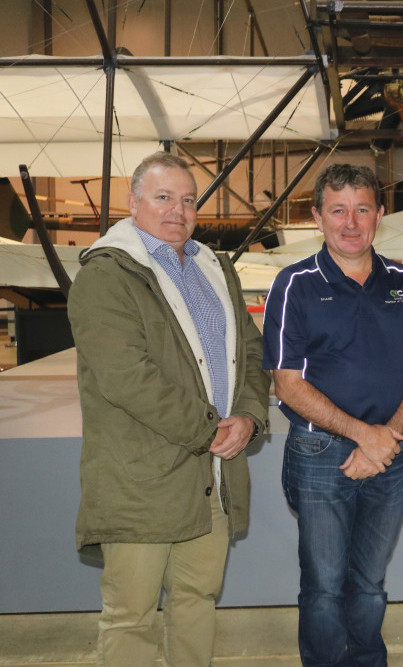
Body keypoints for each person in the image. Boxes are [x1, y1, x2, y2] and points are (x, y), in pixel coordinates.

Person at [68, 151, 271, 667]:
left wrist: (248, 418)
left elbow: (249, 351)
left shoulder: (213, 268)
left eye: (188, 200)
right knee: (131, 618)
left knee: (196, 602)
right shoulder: (106, 275)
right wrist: (210, 431)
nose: (178, 210)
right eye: (163, 198)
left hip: (213, 474)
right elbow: (126, 377)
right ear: (133, 203)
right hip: (142, 479)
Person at [262, 164, 403, 667]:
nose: (350, 222)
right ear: (317, 217)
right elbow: (287, 384)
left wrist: (388, 438)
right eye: (338, 210)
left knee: (371, 585)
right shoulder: (295, 285)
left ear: (381, 215)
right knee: (324, 588)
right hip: (320, 456)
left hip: (391, 458)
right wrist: (364, 436)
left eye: (362, 209)